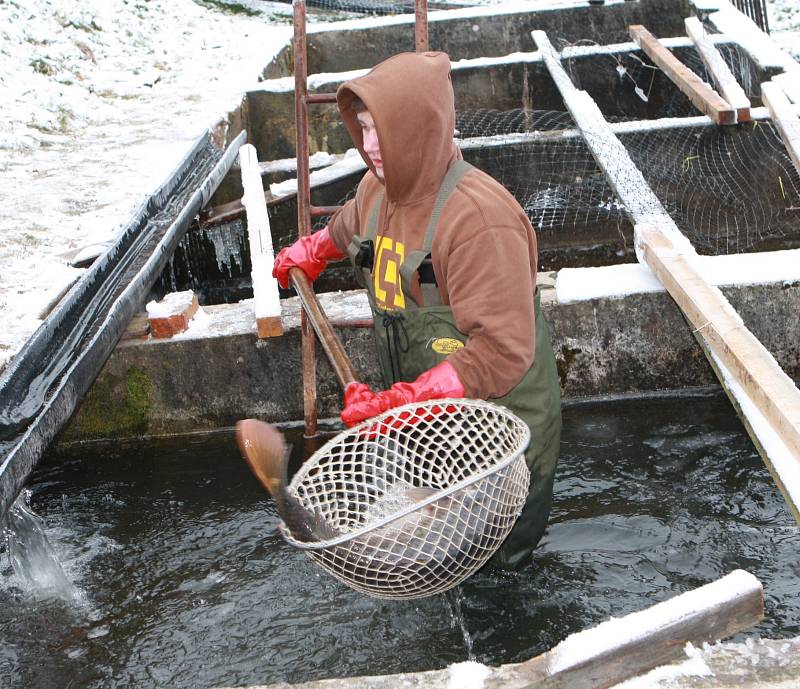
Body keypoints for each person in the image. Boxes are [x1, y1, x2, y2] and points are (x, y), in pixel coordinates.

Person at [273, 51, 561, 569]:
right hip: (429, 433)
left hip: (502, 431)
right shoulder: (375, 190)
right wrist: (313, 250)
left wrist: (407, 399)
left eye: (384, 130)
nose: (370, 145)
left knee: (498, 573)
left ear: (422, 130)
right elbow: (348, 227)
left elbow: (502, 350)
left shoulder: (478, 221)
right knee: (439, 557)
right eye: (362, 128)